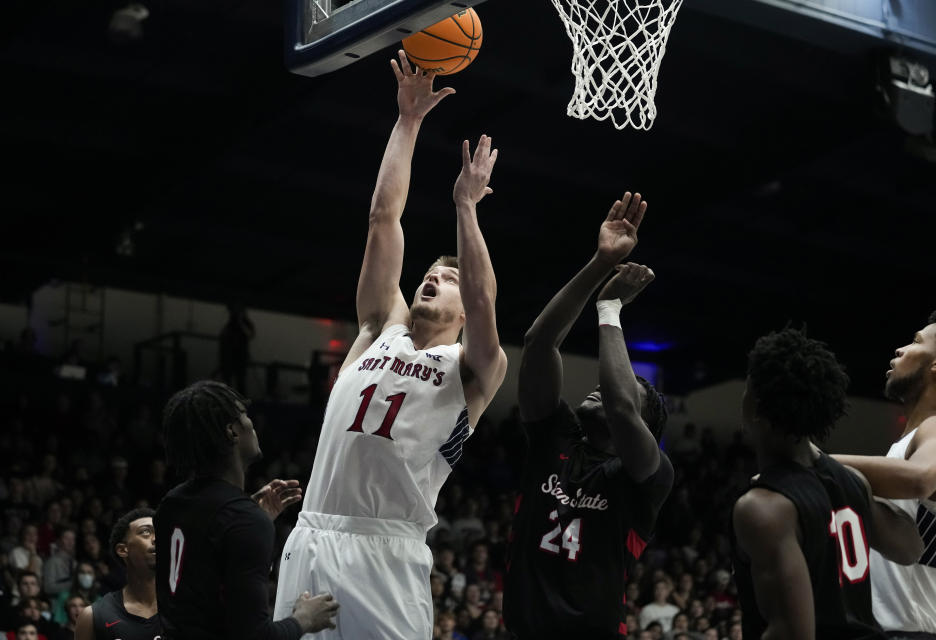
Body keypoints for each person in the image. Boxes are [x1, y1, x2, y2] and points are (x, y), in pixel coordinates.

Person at [273, 49, 506, 640]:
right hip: (313, 536)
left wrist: (465, 208)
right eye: (430, 272)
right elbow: (384, 218)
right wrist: (407, 122)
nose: (433, 278)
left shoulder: (473, 367)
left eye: (447, 278)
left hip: (387, 550)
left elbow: (484, 305)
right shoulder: (381, 327)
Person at [504, 193, 674, 640]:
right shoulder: (554, 437)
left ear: (643, 427)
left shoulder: (646, 475)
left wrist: (610, 308)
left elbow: (620, 407)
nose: (604, 385)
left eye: (625, 386)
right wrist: (600, 264)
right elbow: (539, 344)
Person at [732, 328, 924, 639]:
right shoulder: (853, 482)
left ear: (756, 407)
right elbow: (910, 549)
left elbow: (792, 632)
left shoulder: (763, 507)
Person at [155, 381, 338, 640]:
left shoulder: (171, 504)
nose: (252, 424)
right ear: (232, 432)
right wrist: (303, 620)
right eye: (245, 416)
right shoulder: (244, 520)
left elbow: (202, 573)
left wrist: (246, 512)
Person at [833, 311, 936, 638]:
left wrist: (819, 462)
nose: (900, 349)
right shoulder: (909, 443)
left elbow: (920, 477)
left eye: (917, 341)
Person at [74, 509, 158, 640]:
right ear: (123, 550)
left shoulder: (186, 607)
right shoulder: (94, 616)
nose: (156, 538)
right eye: (146, 531)